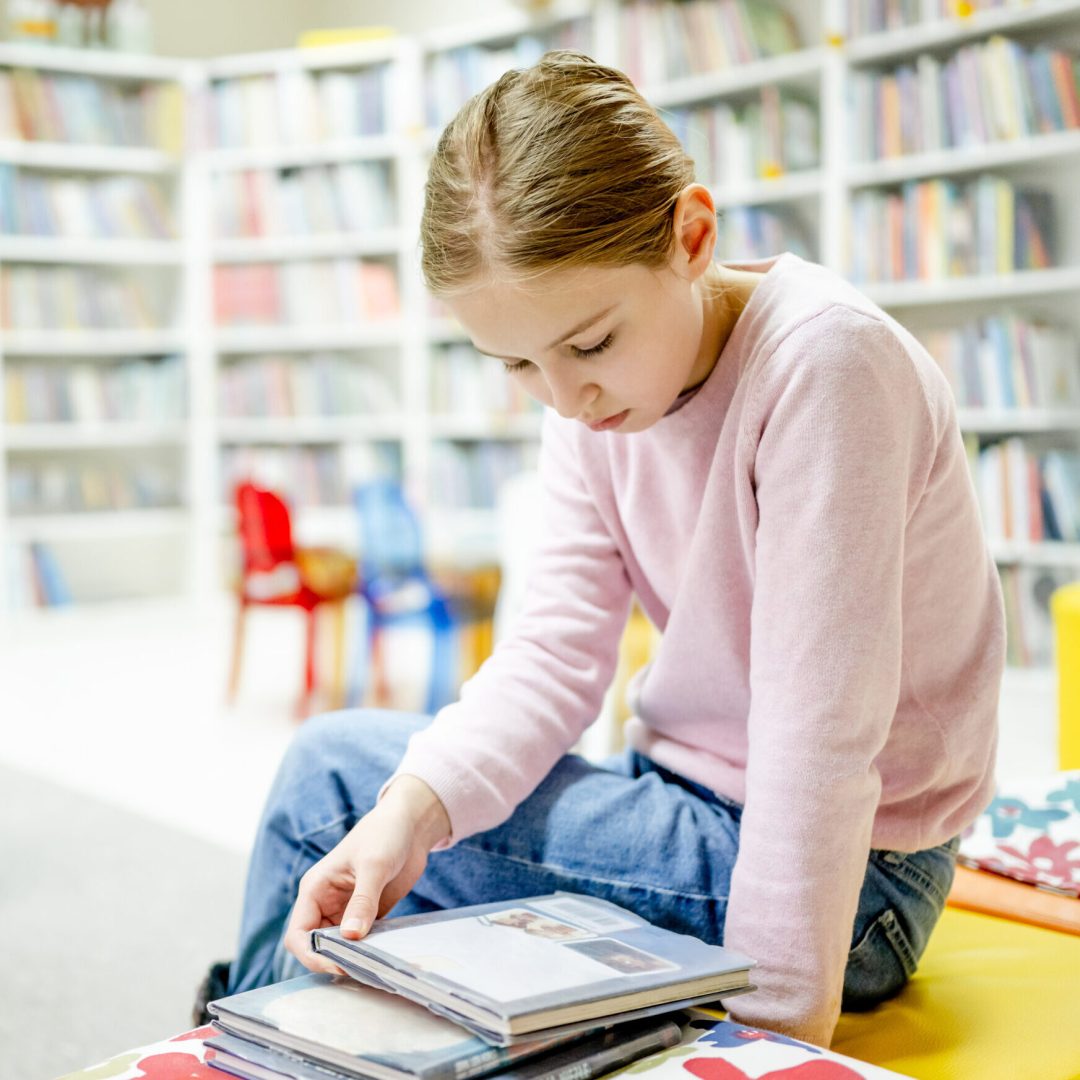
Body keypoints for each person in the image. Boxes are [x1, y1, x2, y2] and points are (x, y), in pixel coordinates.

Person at [208, 51, 1005, 1047]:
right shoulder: (586, 402)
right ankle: (267, 1043)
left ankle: (230, 1055)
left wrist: (773, 1042)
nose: (565, 397)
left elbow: (818, 741)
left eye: (588, 346)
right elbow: (548, 658)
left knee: (326, 780)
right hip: (687, 806)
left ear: (693, 235)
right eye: (518, 364)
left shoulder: (827, 367)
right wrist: (411, 814)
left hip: (858, 882)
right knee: (373, 813)